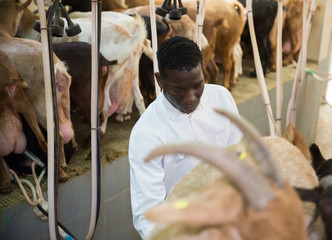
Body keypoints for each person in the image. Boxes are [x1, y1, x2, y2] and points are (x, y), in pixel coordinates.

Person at [129, 36, 242, 239]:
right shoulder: (147, 133)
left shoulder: (221, 99)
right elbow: (148, 213)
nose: (190, 97)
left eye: (198, 85)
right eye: (178, 89)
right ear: (160, 80)